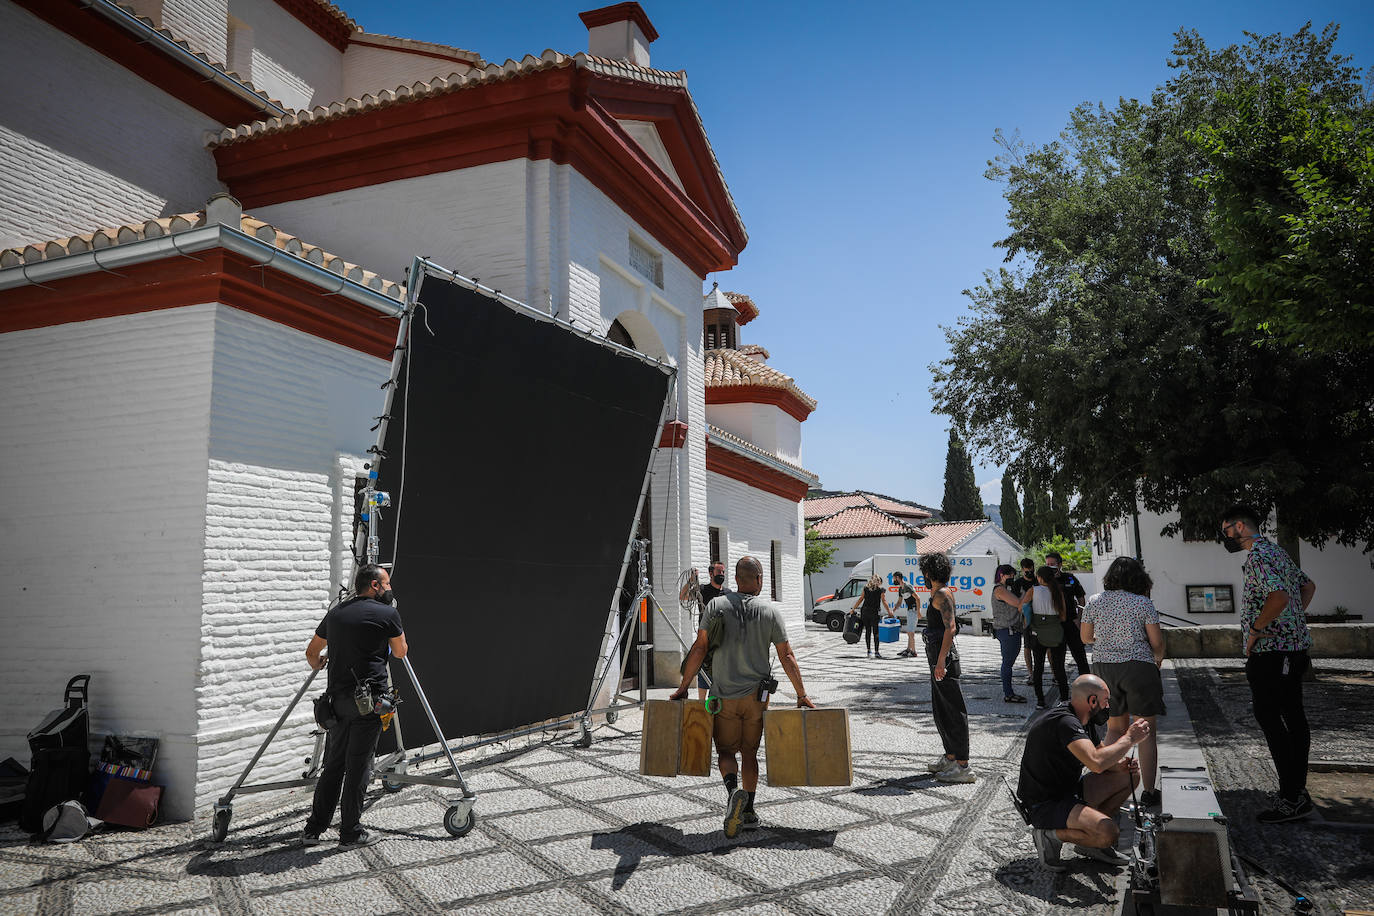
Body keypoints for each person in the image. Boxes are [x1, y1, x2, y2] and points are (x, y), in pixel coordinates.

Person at [673, 556, 813, 837]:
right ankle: (748, 809)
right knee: (750, 752)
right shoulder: (770, 612)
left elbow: (699, 649)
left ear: (736, 579)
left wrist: (684, 686)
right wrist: (801, 694)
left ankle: (732, 791)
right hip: (756, 699)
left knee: (725, 751)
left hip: (723, 697)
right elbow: (787, 656)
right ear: (759, 579)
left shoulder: (716, 605)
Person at [1222, 504, 1317, 824]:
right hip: (1292, 648)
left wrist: (1257, 630)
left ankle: (1292, 797)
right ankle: (1296, 791)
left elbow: (1278, 597)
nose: (1226, 537)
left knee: (1274, 717)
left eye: (1226, 531)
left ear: (1239, 527)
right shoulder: (1277, 553)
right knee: (1291, 716)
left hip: (1273, 652)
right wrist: (1292, 622)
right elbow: (1308, 586)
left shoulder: (1259, 558)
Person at [301, 564, 407, 848]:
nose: (389, 589)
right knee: (359, 765)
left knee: (333, 765)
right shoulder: (388, 614)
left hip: (337, 702)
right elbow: (399, 652)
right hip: (369, 703)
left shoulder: (336, 614)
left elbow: (312, 652)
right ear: (374, 585)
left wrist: (321, 663)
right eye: (386, 584)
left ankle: (313, 829)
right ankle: (350, 832)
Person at [1018, 674, 1149, 871]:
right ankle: (1048, 835)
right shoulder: (1065, 722)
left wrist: (1120, 765)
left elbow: (1099, 753)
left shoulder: (1083, 718)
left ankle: (1091, 844)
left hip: (1068, 790)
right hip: (1043, 804)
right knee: (1109, 833)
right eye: (1105, 701)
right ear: (1092, 700)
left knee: (1129, 776)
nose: (1107, 707)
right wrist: (1129, 738)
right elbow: (1096, 763)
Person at [1080, 556, 1166, 808]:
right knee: (1145, 729)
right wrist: (1157, 660)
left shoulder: (1095, 601)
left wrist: (1108, 640)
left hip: (1104, 669)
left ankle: (1104, 784)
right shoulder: (1143, 603)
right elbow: (1157, 642)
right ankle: (1149, 791)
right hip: (1138, 666)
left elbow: (1086, 637)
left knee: (1115, 729)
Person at [919, 552, 975, 783]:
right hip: (936, 655)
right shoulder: (939, 592)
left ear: (929, 573)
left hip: (945, 658)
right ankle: (951, 756)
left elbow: (950, 628)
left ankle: (963, 766)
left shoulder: (942, 594)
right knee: (941, 710)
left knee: (953, 711)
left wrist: (941, 661)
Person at [1021, 566, 1070, 708]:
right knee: (1059, 667)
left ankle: (1040, 701)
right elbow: (1063, 616)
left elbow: (1021, 607)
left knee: (1038, 668)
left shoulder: (1033, 590)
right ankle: (1065, 698)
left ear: (1040, 578)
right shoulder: (1058, 591)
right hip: (1056, 632)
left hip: (1038, 633)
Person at [681, 561, 730, 699]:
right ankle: (702, 703)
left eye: (723, 572)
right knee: (704, 671)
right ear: (711, 574)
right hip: (706, 638)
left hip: (723, 639)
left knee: (721, 671)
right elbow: (683, 597)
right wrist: (691, 582)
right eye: (719, 572)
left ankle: (717, 700)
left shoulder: (728, 593)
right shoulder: (702, 590)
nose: (722, 574)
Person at [1046, 551, 1091, 678]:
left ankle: (1087, 684)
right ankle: (1063, 692)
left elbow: (1081, 597)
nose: (1050, 566)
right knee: (1058, 660)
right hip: (1055, 624)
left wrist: (1080, 617)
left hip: (1071, 622)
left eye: (1052, 564)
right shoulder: (1044, 581)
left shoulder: (1069, 578)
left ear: (1059, 565)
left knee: (1080, 656)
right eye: (1047, 564)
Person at [990, 564, 1027, 703]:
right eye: (1009, 575)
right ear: (1001, 575)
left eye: (1013, 575)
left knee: (1008, 662)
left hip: (1011, 629)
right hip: (1007, 630)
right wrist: (1026, 593)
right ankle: (1008, 693)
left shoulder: (1006, 588)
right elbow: (1019, 604)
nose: (1012, 578)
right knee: (1007, 663)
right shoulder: (1000, 589)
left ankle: (1009, 692)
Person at [851, 574, 891, 658]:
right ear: (879, 581)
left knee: (868, 631)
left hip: (865, 612)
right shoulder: (881, 590)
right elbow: (884, 601)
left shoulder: (866, 588)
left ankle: (869, 651)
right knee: (876, 632)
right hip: (874, 612)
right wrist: (889, 612)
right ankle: (876, 652)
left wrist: (853, 609)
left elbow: (861, 599)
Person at [1013, 558, 1038, 683]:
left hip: (1040, 618)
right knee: (1027, 647)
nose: (1029, 572)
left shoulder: (1039, 581)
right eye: (1026, 570)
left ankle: (1050, 673)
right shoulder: (1018, 584)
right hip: (1026, 619)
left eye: (1031, 570)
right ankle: (1031, 673)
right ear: (1022, 570)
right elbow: (1016, 602)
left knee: (1044, 647)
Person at [893, 571, 922, 659]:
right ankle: (909, 649)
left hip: (914, 610)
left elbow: (917, 598)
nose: (893, 580)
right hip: (909, 610)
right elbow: (899, 602)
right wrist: (892, 611)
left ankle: (913, 652)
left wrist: (918, 612)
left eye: (894, 578)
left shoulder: (907, 586)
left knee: (911, 632)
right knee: (909, 632)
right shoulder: (901, 589)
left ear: (898, 578)